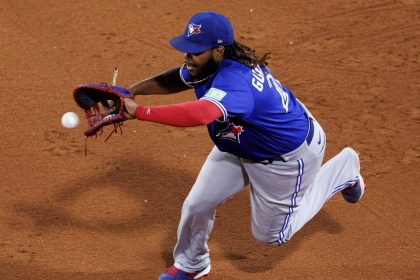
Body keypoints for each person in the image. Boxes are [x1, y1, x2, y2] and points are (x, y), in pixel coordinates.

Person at [122, 11, 365, 280]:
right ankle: (192, 263)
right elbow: (179, 78)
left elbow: (201, 114)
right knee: (197, 204)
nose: (188, 56)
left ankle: (344, 170)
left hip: (287, 158)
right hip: (244, 142)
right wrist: (131, 90)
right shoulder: (210, 64)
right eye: (187, 49)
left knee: (272, 236)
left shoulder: (236, 83)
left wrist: (141, 112)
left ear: (218, 50)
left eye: (195, 51)